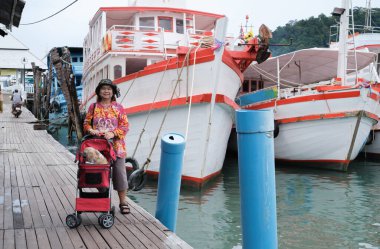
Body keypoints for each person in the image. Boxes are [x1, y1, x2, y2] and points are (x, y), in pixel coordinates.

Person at [83, 79, 130, 214]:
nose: (106, 91)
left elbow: (125, 126)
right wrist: (91, 130)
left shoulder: (118, 107)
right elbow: (86, 123)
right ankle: (103, 197)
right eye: (103, 88)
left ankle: (123, 202)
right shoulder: (93, 107)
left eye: (109, 89)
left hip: (116, 146)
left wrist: (113, 133)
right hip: (98, 145)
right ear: (99, 91)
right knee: (98, 172)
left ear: (113, 91)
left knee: (120, 173)